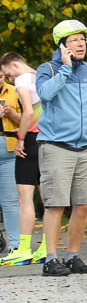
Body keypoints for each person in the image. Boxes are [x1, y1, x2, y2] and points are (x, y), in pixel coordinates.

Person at [34, 19, 87, 276]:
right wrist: (65, 69)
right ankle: (51, 260)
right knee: (56, 205)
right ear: (62, 45)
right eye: (74, 40)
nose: (80, 44)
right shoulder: (48, 69)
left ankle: (72, 256)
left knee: (83, 204)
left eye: (83, 39)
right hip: (56, 146)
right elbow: (45, 94)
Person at [0, 52, 46, 265]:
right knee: (47, 198)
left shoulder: (21, 80)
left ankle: (24, 249)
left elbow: (28, 112)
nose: (10, 78)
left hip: (30, 141)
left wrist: (20, 138)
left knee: (24, 197)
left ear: (15, 65)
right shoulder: (41, 76)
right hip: (47, 139)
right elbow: (40, 110)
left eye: (8, 74)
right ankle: (46, 248)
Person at [0, 68, 22, 258]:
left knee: (10, 201)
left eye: (0, 76)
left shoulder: (15, 91)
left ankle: (16, 245)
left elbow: (28, 120)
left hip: (9, 149)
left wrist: (10, 113)